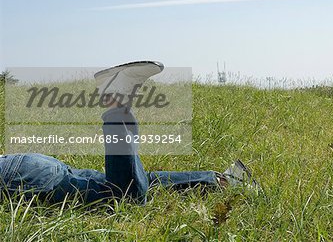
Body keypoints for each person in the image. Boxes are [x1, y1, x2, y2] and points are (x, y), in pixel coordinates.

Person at [0, 61, 259, 205]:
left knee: (122, 194)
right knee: (131, 179)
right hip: (24, 167)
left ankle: (116, 101)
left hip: (19, 177)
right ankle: (223, 181)